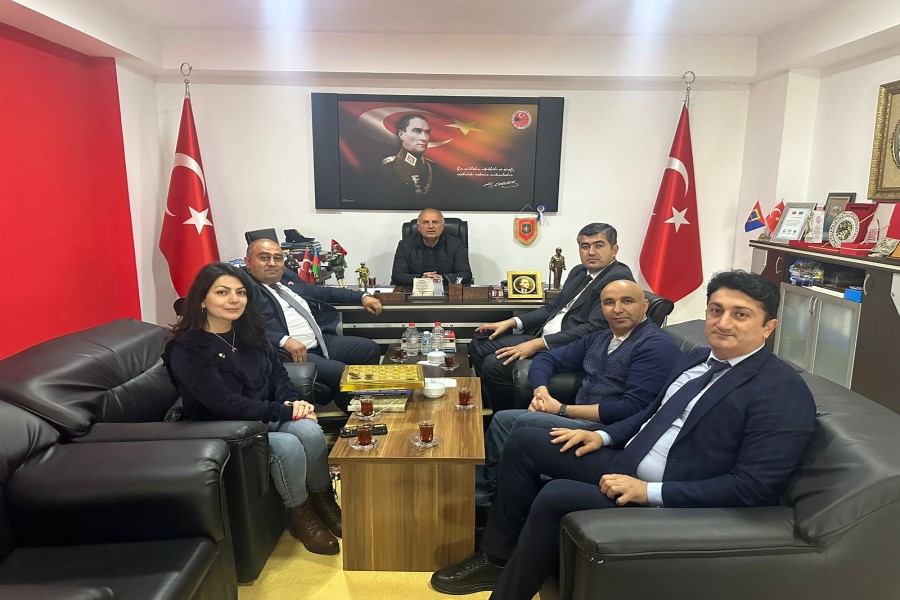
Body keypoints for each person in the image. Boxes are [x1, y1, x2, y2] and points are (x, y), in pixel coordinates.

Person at [431, 270, 817, 599]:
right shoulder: (699, 359)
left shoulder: (781, 389)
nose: (723, 323)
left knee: (557, 493)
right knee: (527, 440)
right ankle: (497, 558)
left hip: (671, 491)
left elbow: (754, 488)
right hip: (627, 459)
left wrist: (648, 492)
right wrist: (603, 438)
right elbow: (651, 415)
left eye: (740, 314)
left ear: (768, 326)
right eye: (716, 310)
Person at [163, 263, 342, 556]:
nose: (234, 300)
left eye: (241, 292)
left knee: (309, 430)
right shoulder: (188, 348)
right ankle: (300, 514)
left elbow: (278, 375)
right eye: (222, 292)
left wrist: (290, 401)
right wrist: (283, 412)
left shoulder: (250, 333)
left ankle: (324, 501)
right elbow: (222, 403)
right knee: (287, 445)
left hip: (258, 416)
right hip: (221, 426)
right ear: (202, 300)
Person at [476, 280, 680, 506]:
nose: (617, 309)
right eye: (609, 303)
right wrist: (541, 392)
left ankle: (493, 495)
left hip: (608, 430)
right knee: (503, 419)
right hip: (578, 417)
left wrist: (562, 410)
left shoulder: (655, 345)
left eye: (627, 301)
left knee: (515, 422)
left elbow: (633, 409)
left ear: (644, 306)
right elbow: (546, 358)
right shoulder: (601, 337)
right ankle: (491, 487)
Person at [469, 223, 633, 410]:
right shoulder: (579, 272)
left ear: (614, 250)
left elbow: (594, 329)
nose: (591, 252)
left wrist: (538, 343)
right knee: (479, 344)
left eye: (599, 245)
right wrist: (511, 322)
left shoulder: (617, 280)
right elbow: (553, 307)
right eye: (585, 246)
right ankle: (488, 403)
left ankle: (504, 413)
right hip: (546, 337)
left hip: (571, 348)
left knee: (494, 364)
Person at [244, 239, 383, 412]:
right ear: (248, 262)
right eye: (264, 258)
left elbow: (322, 292)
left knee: (369, 349)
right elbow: (241, 327)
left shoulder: (286, 278)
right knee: (343, 372)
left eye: (277, 258)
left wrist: (361, 297)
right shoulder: (244, 288)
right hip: (290, 354)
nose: (272, 263)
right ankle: (359, 414)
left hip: (319, 340)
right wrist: (282, 340)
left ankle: (358, 403)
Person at [391, 208, 473, 285]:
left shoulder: (455, 244)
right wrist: (421, 279)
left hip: (447, 291)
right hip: (415, 291)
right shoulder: (404, 245)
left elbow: (465, 274)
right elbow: (397, 275)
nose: (430, 226)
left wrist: (441, 279)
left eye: (435, 222)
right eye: (425, 222)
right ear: (418, 227)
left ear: (443, 226)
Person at [376, 114, 446, 201]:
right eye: (416, 131)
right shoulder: (387, 169)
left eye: (427, 132)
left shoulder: (434, 169)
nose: (424, 138)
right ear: (401, 134)